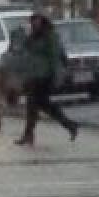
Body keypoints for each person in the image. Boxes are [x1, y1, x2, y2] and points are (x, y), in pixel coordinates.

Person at [13, 13, 78, 146]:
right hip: (33, 75)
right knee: (38, 106)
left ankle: (68, 125)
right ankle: (69, 125)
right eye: (33, 22)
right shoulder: (33, 36)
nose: (35, 24)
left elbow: (54, 56)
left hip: (44, 75)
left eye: (37, 21)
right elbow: (24, 49)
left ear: (42, 21)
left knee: (36, 105)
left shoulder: (50, 36)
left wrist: (56, 76)